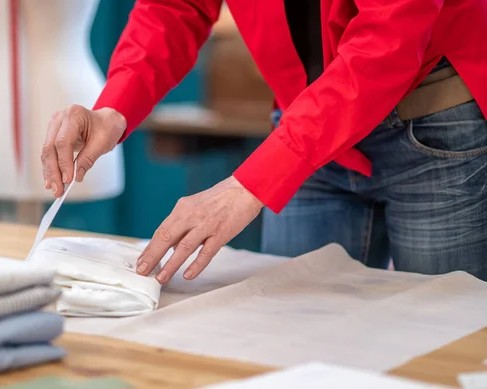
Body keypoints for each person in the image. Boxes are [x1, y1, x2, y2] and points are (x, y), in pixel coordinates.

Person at [41, 0, 487, 284]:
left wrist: (252, 183)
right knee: (296, 338)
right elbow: (174, 7)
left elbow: (386, 44)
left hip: (433, 125)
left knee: (441, 344)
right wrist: (114, 109)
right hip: (305, 124)